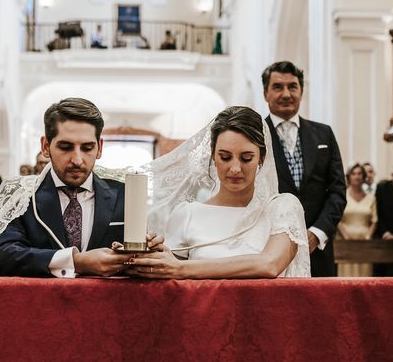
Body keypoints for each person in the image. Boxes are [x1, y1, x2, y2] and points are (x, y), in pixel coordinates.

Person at [0, 97, 160, 277]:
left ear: (99, 148)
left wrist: (146, 252)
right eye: (66, 147)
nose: (77, 160)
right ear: (45, 146)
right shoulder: (22, 195)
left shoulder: (124, 194)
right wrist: (76, 262)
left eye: (87, 147)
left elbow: (136, 261)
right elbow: (0, 257)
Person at [124, 106, 310, 278]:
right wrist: (147, 256)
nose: (235, 168)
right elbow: (170, 278)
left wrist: (181, 269)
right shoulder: (187, 214)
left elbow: (269, 264)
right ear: (213, 156)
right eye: (225, 157)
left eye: (246, 158)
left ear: (261, 158)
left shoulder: (283, 208)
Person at [262, 60, 346, 276]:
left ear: (301, 91)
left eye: (293, 86)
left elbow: (337, 191)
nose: (286, 94)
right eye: (278, 87)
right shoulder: (255, 136)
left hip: (318, 250)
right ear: (265, 94)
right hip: (269, 249)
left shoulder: (323, 134)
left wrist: (317, 233)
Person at [337, 163, 377, 277]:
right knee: (346, 277)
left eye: (360, 173)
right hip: (345, 242)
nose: (357, 176)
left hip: (364, 243)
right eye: (353, 173)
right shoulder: (342, 195)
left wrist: (368, 235)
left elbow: (375, 220)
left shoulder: (371, 197)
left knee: (365, 276)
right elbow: (337, 217)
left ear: (364, 176)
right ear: (348, 176)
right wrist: (345, 235)